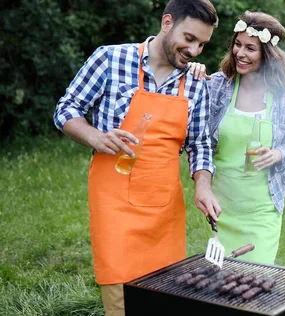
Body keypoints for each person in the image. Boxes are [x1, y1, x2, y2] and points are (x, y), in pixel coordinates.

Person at [53, 1, 220, 314]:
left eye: (202, 44)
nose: (195, 51)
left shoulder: (196, 84)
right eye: (189, 39)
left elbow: (199, 143)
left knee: (165, 300)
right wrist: (96, 137)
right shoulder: (110, 59)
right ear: (167, 22)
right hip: (113, 207)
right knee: (121, 302)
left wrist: (203, 186)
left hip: (163, 211)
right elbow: (66, 110)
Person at [189, 11, 285, 264]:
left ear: (267, 55)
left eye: (250, 48)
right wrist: (190, 75)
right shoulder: (218, 86)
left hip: (262, 211)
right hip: (221, 208)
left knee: (256, 281)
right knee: (221, 283)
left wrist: (277, 154)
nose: (240, 54)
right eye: (237, 45)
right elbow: (195, 134)